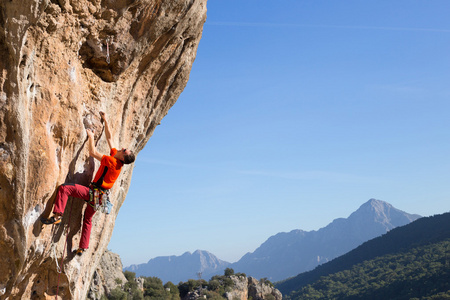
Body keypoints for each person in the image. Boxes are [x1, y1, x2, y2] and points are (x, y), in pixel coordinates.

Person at [41, 111, 135, 255]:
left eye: (124, 150)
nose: (122, 148)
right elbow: (110, 138)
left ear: (123, 156)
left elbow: (92, 152)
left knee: (65, 189)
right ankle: (82, 247)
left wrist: (90, 137)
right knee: (87, 220)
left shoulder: (112, 162)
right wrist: (106, 120)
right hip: (99, 198)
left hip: (92, 193)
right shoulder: (117, 159)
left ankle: (57, 216)